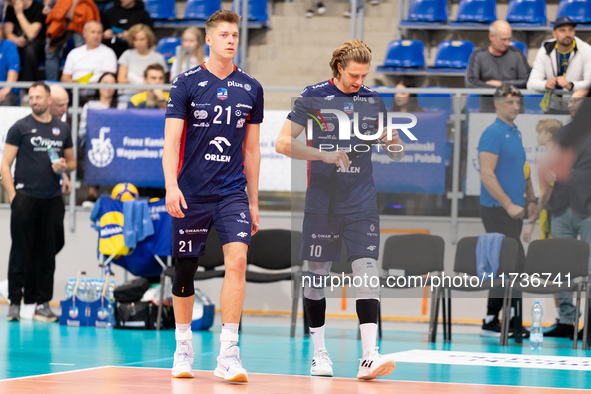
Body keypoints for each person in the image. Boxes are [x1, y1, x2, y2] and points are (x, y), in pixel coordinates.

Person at [275, 39, 400, 380]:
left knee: (367, 275)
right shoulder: (312, 96)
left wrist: (390, 142)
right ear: (338, 68)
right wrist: (323, 155)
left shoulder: (373, 100)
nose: (359, 81)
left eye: (364, 75)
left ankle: (370, 356)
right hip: (323, 203)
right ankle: (319, 354)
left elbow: (388, 144)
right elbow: (283, 143)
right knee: (316, 279)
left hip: (361, 202)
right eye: (353, 75)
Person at [162, 10, 264, 382]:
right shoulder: (185, 83)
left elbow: (252, 151)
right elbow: (171, 141)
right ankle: (183, 346)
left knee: (237, 261)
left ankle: (228, 353)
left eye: (235, 34)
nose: (231, 39)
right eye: (224, 34)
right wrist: (171, 186)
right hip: (190, 192)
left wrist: (253, 201)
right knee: (185, 270)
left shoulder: (251, 87)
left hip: (231, 192)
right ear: (209, 39)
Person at [1, 81, 76, 322]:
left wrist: (64, 168)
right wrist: (14, 197)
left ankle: (42, 303)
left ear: (48, 100)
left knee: (48, 253)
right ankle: (14, 302)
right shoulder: (19, 127)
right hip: (25, 198)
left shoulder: (62, 129)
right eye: (31, 98)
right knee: (20, 251)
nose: (33, 101)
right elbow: (5, 164)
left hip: (52, 199)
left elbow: (72, 162)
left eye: (37, 97)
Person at [478, 84, 537, 337]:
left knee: (506, 265)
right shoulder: (492, 133)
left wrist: (531, 198)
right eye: (510, 102)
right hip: (496, 210)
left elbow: (522, 169)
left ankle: (492, 319)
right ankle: (510, 322)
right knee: (515, 262)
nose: (515, 106)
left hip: (514, 210)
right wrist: (509, 204)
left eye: (518, 102)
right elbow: (487, 175)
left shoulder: (516, 133)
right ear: (497, 103)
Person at [541, 89, 591, 340]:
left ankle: (590, 325)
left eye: (577, 101)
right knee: (561, 268)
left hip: (588, 207)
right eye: (570, 100)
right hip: (560, 206)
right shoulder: (563, 132)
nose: (571, 104)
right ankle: (566, 321)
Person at [527, 16, 591, 114]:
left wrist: (571, 85)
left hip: (577, 108)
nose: (568, 34)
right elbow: (531, 84)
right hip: (552, 107)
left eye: (571, 30)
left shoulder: (586, 50)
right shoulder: (545, 50)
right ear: (554, 34)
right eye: (562, 30)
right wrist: (545, 84)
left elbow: (589, 83)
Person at [466, 20, 531, 112]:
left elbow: (527, 81)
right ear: (491, 36)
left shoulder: (517, 55)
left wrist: (501, 85)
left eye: (509, 39)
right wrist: (498, 88)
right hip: (488, 109)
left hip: (515, 110)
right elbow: (471, 82)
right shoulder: (478, 55)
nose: (507, 43)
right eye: (503, 39)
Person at [79, 72, 118, 206]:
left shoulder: (121, 105)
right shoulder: (90, 105)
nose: (108, 88)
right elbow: (82, 129)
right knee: (89, 148)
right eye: (105, 83)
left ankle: (118, 194)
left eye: (112, 84)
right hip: (95, 142)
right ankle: (92, 194)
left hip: (117, 142)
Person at [44, 0, 100, 81]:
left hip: (79, 12)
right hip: (60, 9)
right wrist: (47, 5)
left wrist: (71, 7)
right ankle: (51, 84)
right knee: (51, 49)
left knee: (81, 49)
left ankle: (82, 82)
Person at [117, 23, 166, 106]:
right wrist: (141, 83)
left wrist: (147, 85)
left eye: (141, 39)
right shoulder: (127, 54)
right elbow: (121, 80)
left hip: (151, 95)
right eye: (135, 39)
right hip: (129, 94)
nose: (138, 43)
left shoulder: (158, 58)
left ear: (148, 39)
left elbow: (161, 80)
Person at [60, 21, 118, 86]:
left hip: (98, 92)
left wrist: (87, 84)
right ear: (84, 33)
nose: (96, 35)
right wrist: (76, 83)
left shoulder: (108, 52)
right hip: (74, 91)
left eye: (99, 32)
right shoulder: (74, 53)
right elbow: (65, 78)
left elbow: (109, 79)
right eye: (93, 32)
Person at [2, 0, 46, 82]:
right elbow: (7, 33)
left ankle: (27, 88)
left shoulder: (38, 7)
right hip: (17, 45)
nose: (8, 4)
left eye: (11, 1)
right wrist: (16, 40)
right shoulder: (11, 8)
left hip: (37, 49)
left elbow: (31, 34)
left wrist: (19, 14)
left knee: (30, 49)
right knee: (8, 47)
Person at [0, 24, 20, 106]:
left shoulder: (9, 46)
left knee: (6, 100)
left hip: (7, 92)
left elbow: (13, 68)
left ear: (1, 32)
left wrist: (7, 88)